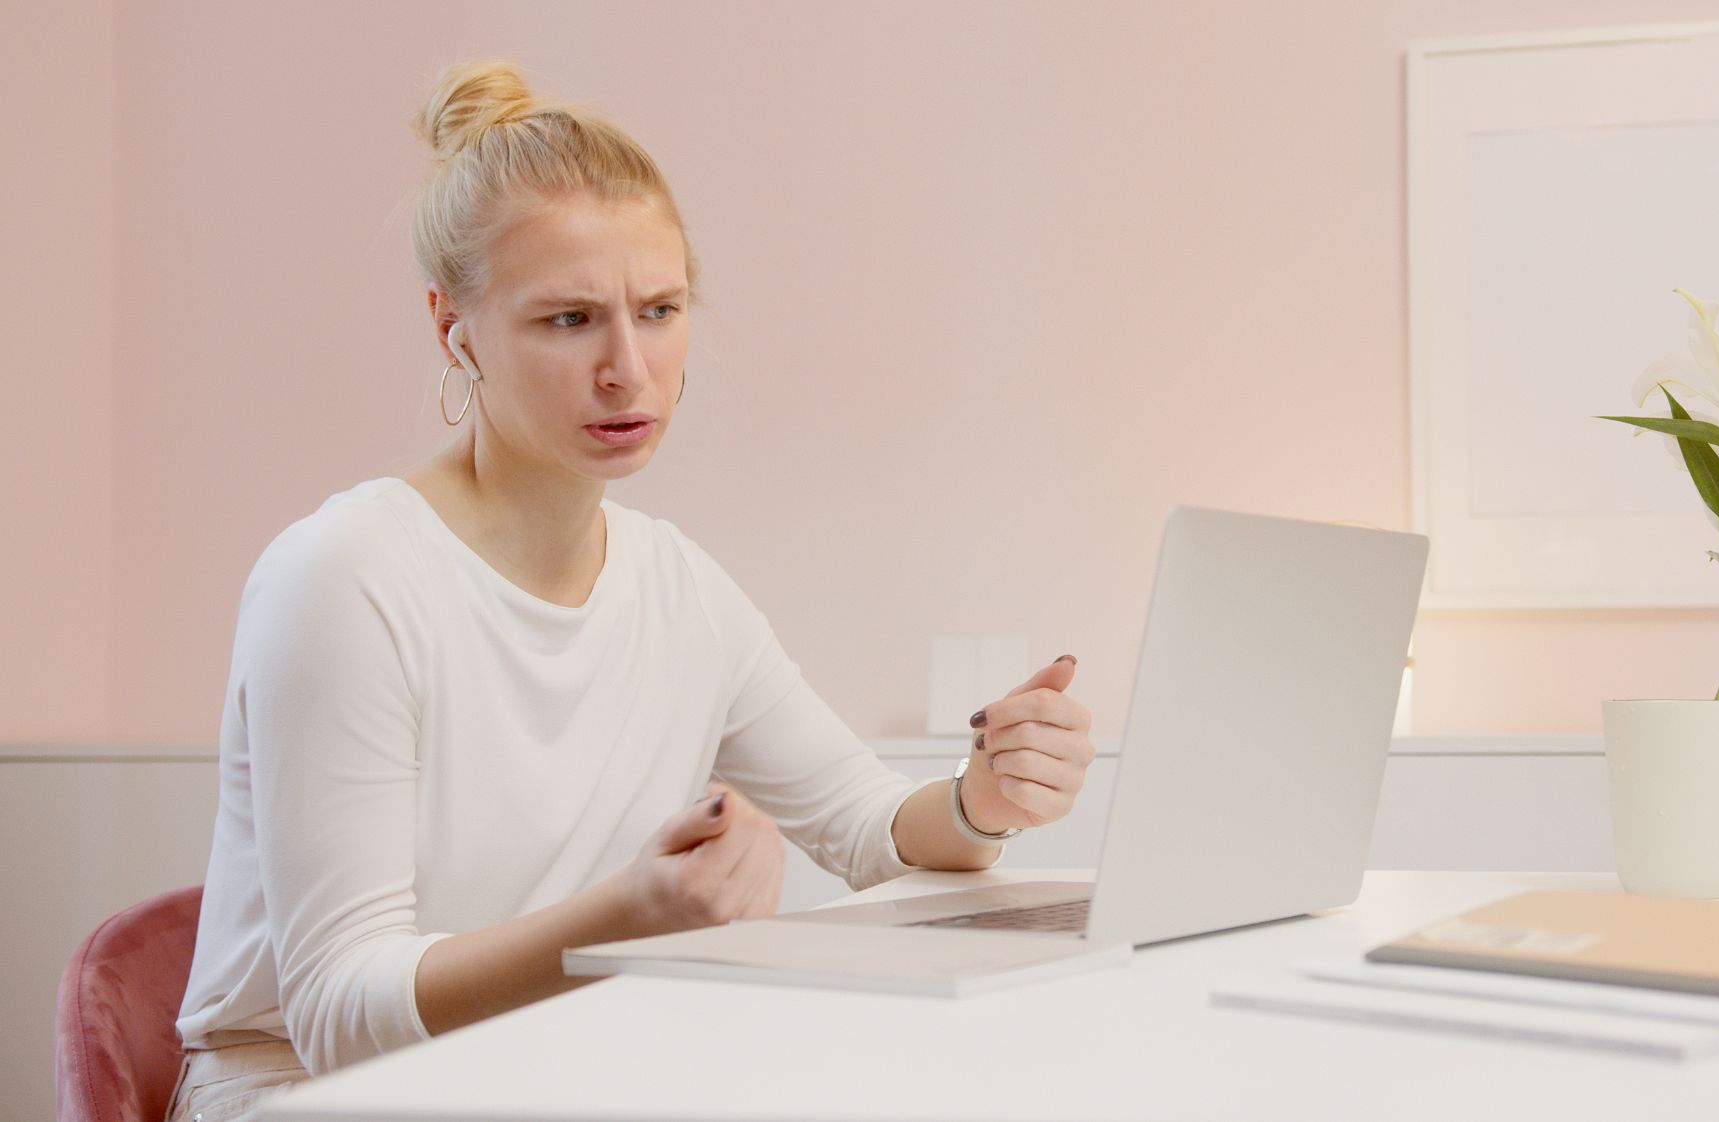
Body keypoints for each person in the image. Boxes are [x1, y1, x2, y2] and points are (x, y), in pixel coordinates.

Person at [166, 59, 1096, 1122]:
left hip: (550, 1078)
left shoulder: (677, 588)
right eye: (568, 321)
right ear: (450, 327)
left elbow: (870, 827)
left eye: (658, 310)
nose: (629, 369)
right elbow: (336, 1015)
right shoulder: (345, 578)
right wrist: (625, 918)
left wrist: (989, 798)